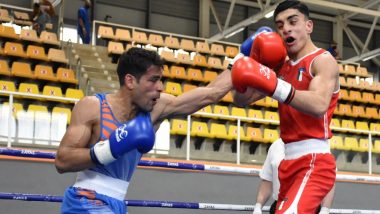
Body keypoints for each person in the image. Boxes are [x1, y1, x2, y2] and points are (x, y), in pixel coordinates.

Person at [54, 47, 233, 213]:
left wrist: (240, 61)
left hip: (116, 204)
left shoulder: (156, 108)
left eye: (160, 80)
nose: (160, 87)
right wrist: (109, 150)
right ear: (130, 81)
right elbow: (62, 161)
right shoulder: (93, 107)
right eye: (153, 80)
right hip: (84, 200)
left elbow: (212, 93)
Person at [231, 0, 339, 213]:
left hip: (314, 160)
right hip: (287, 163)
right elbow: (240, 99)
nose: (286, 28)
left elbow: (319, 105)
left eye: (292, 21)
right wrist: (244, 61)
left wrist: (276, 85)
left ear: (309, 26)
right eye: (280, 25)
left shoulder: (322, 61)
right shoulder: (280, 66)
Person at [252, 139, 335, 214]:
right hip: (280, 204)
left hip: (309, 206)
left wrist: (325, 209)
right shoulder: (275, 146)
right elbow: (267, 181)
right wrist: (258, 206)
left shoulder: (317, 145)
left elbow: (328, 180)